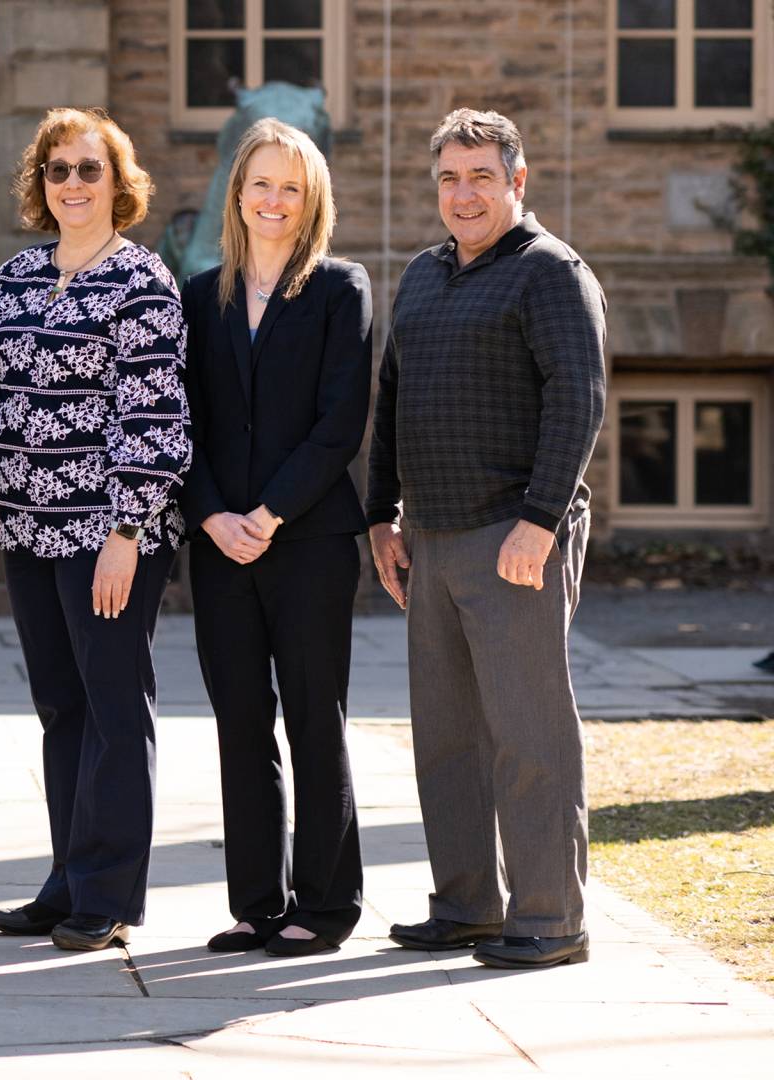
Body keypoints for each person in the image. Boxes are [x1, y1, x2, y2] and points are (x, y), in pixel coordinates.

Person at [370, 109, 606, 970]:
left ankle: (549, 919)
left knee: (528, 734)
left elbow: (577, 401)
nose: (463, 193)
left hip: (513, 537)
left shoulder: (551, 274)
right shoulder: (425, 275)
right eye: (448, 178)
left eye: (480, 176)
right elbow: (390, 400)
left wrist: (539, 522)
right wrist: (379, 516)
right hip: (427, 539)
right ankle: (465, 905)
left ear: (517, 180)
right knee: (447, 738)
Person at [0, 107, 190, 952]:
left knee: (114, 708)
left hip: (109, 536)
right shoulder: (15, 278)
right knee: (61, 709)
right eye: (58, 169)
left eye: (91, 169)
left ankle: (110, 895)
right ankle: (66, 879)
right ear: (39, 184)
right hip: (27, 529)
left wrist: (127, 531)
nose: (74, 184)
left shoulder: (142, 281)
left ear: (118, 184)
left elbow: (155, 418)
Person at [180, 119, 373, 957]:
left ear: (312, 200)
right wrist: (213, 513)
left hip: (309, 541)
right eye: (261, 182)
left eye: (291, 186)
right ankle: (256, 903)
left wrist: (269, 514)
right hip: (218, 544)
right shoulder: (196, 296)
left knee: (312, 718)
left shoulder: (341, 290)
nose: (274, 199)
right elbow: (174, 421)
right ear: (237, 192)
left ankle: (324, 906)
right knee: (240, 723)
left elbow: (340, 426)